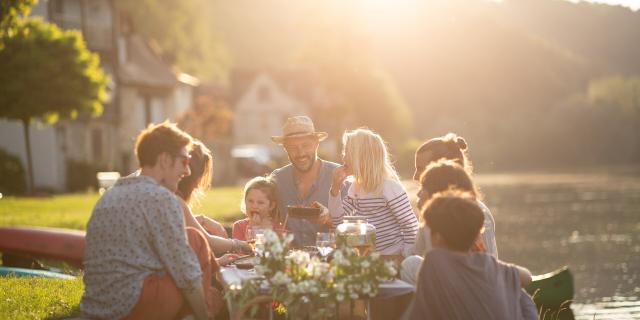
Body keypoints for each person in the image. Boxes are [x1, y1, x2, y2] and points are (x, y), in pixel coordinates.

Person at [81, 122, 215, 320]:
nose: (187, 172)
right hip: (132, 307)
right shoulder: (161, 198)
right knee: (195, 241)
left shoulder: (108, 197)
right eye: (184, 161)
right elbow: (185, 269)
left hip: (96, 308)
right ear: (164, 160)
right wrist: (204, 314)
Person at [409, 191, 532, 320]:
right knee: (522, 296)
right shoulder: (486, 263)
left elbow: (418, 313)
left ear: (438, 237)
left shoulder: (435, 260)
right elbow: (527, 277)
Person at [329, 128, 419, 258]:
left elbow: (410, 225)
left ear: (361, 157)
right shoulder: (355, 189)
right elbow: (337, 222)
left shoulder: (389, 187)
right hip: (369, 258)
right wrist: (335, 189)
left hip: (393, 256)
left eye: (347, 151)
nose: (342, 155)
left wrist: (405, 257)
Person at [176, 140, 251, 263]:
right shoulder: (175, 199)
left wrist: (202, 219)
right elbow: (208, 241)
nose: (197, 186)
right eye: (199, 178)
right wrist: (241, 245)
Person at [270, 116, 339, 247]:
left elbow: (358, 228)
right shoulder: (277, 179)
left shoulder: (339, 177)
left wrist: (330, 219)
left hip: (331, 262)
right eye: (293, 147)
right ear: (285, 148)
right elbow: (265, 218)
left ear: (317, 143)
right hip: (290, 264)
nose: (300, 153)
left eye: (306, 145)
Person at [232, 176, 285, 240]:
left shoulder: (279, 228)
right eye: (250, 201)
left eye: (260, 202)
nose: (254, 206)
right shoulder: (239, 226)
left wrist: (265, 231)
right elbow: (242, 248)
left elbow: (271, 248)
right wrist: (254, 228)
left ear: (271, 206)